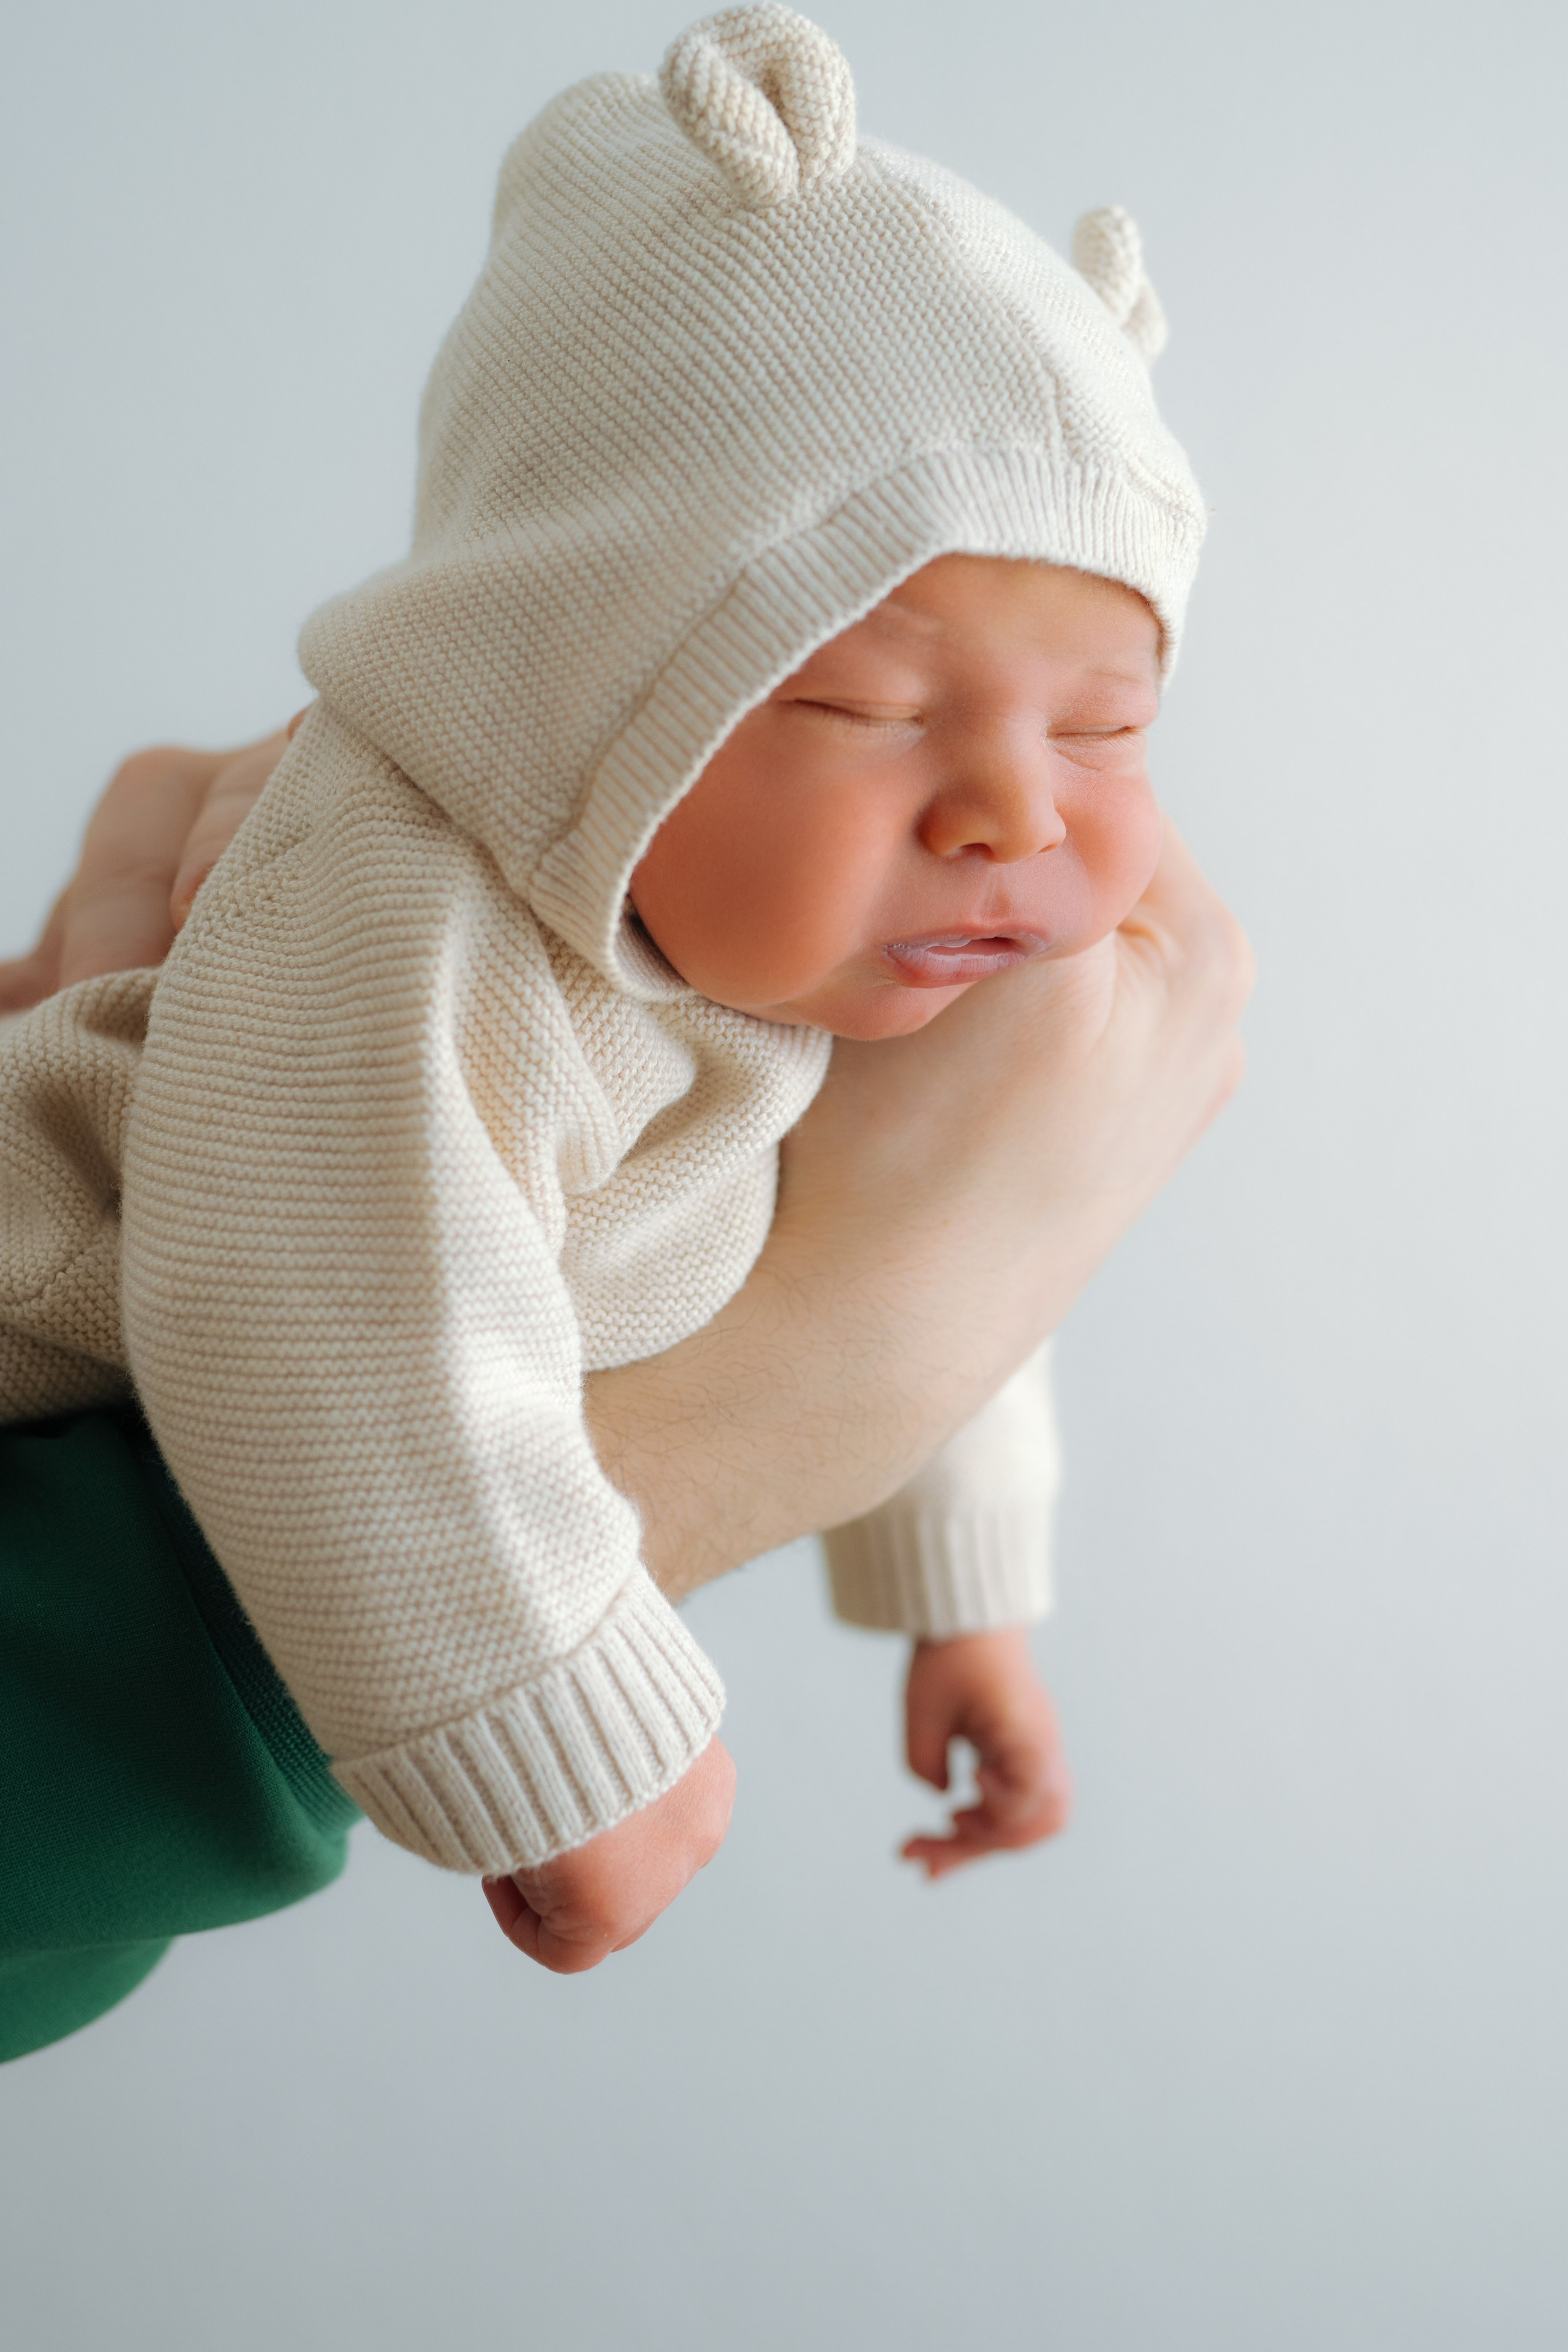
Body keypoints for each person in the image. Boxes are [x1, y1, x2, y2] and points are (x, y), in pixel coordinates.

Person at [0, 5, 1250, 2048]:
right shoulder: (423, 910)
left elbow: (923, 1235)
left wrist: (963, 1595)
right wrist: (551, 1714)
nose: (1015, 812)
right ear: (580, 672)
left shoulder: (818, 956)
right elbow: (331, 1301)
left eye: (1107, 728)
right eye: (866, 704)